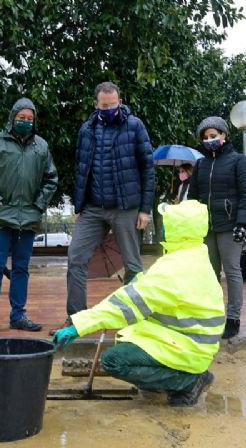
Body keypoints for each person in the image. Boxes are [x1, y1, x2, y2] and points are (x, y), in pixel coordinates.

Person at [53, 200, 225, 406]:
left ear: (175, 228)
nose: (161, 227)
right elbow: (158, 290)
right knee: (127, 338)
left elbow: (126, 305)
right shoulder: (195, 255)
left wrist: (79, 326)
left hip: (188, 347)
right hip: (193, 342)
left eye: (165, 222)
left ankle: (188, 381)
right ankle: (170, 378)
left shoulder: (174, 268)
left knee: (114, 360)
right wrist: (142, 280)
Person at [52, 82, 155, 334]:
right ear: (95, 104)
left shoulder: (135, 126)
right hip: (93, 208)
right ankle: (76, 317)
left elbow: (147, 168)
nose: (109, 109)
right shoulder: (86, 130)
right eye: (104, 105)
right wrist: (80, 205)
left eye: (113, 104)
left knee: (133, 264)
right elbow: (81, 167)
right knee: (75, 258)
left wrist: (145, 209)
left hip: (126, 207)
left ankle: (132, 318)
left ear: (120, 101)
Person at [0, 97, 58, 335]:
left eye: (30, 119)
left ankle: (18, 314)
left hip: (28, 219)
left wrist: (39, 204)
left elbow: (51, 178)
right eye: (22, 118)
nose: (26, 122)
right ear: (13, 117)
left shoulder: (41, 147)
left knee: (21, 269)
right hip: (0, 218)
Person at [187, 116, 246, 339]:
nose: (209, 140)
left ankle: (233, 318)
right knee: (209, 274)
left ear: (224, 135)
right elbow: (193, 196)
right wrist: (191, 222)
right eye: (205, 137)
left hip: (231, 225)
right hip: (207, 227)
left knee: (232, 271)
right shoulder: (201, 164)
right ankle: (211, 316)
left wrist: (242, 223)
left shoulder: (238, 161)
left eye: (213, 135)